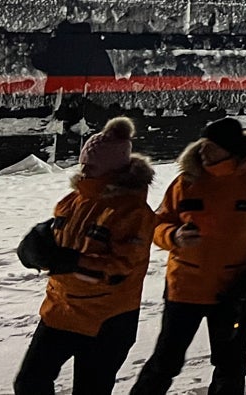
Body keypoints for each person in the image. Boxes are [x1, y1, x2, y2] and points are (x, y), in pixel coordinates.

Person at [129, 118, 246, 395]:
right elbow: (156, 224)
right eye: (203, 145)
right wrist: (173, 236)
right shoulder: (186, 181)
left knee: (231, 367)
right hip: (185, 287)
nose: (203, 152)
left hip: (233, 291)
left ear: (232, 151)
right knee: (165, 361)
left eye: (212, 148)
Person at [14, 117, 156, 395]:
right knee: (29, 382)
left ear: (112, 169)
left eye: (91, 165)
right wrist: (34, 248)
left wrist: (70, 261)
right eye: (84, 163)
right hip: (61, 310)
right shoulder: (75, 200)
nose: (84, 169)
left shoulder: (132, 212)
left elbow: (120, 268)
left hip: (108, 321)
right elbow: (55, 239)